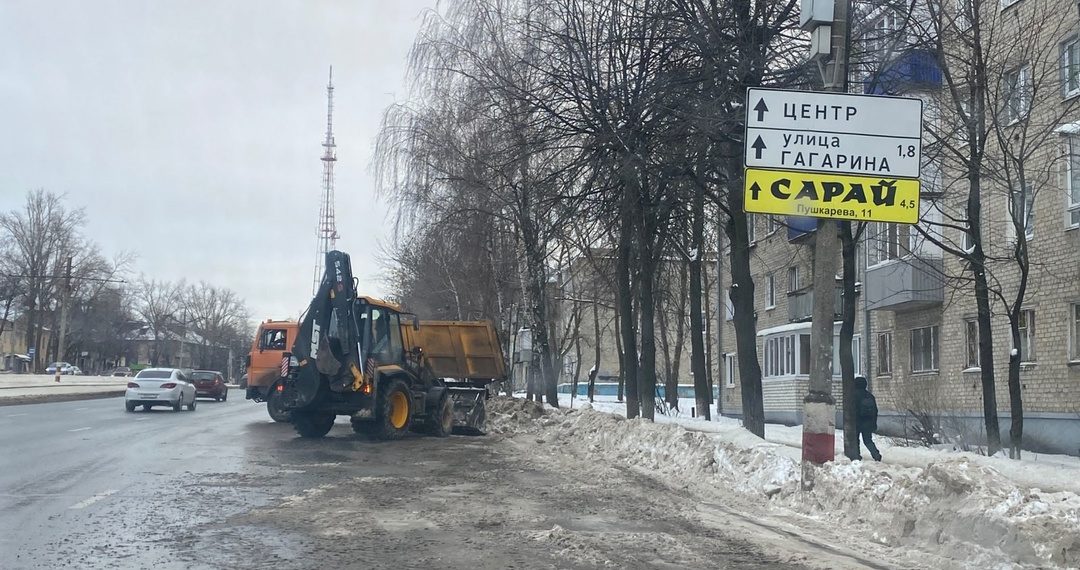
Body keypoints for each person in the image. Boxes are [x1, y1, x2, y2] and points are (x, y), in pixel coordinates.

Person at [855, 375, 882, 462]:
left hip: (857, 422)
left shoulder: (853, 395)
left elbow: (852, 410)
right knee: (868, 440)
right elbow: (875, 411)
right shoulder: (870, 396)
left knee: (855, 439)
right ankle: (876, 455)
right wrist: (874, 423)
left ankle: (856, 456)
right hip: (868, 422)